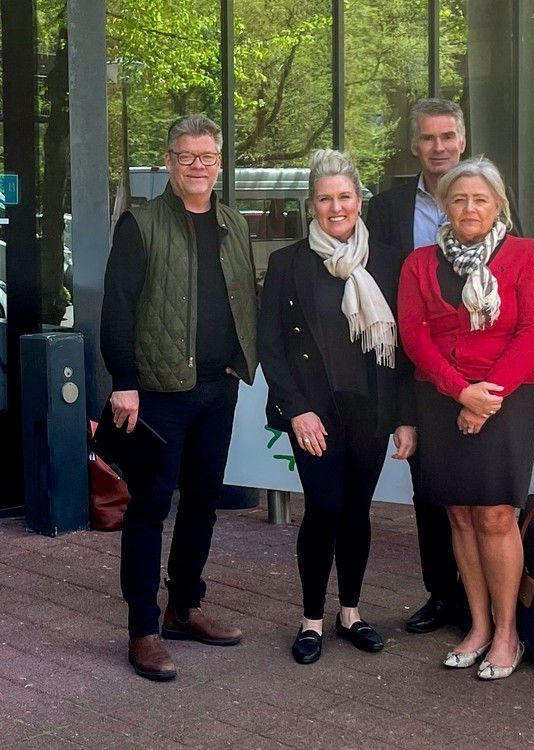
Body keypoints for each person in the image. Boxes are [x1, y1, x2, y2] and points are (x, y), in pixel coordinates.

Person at [101, 114, 258, 681]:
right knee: (148, 508)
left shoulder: (234, 223)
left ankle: (183, 608)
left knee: (202, 503)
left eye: (207, 157)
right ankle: (142, 629)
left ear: (220, 163)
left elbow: (244, 295)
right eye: (186, 156)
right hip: (158, 391)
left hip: (218, 386)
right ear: (168, 161)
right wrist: (124, 381)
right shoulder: (139, 225)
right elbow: (116, 305)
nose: (198, 166)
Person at [367, 97, 522, 634]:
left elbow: (516, 295)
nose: (439, 147)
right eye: (428, 139)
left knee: (487, 501)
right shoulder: (385, 209)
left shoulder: (489, 200)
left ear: (462, 138)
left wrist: (481, 390)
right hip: (421, 369)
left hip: (489, 378)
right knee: (432, 491)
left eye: (447, 137)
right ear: (415, 147)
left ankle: (493, 609)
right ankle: (443, 594)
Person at [258, 150, 417, 665]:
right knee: (323, 509)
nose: (335, 207)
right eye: (325, 198)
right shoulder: (288, 263)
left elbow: (406, 348)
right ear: (311, 204)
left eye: (344, 196)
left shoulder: (389, 261)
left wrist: (404, 416)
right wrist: (295, 409)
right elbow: (271, 344)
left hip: (370, 410)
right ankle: (310, 620)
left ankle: (350, 613)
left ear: (359, 201)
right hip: (314, 414)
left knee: (355, 512)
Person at [397, 156, 534, 680]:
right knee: (459, 515)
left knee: (493, 514)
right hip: (442, 395)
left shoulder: (526, 255)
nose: (469, 208)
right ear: (445, 204)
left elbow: (533, 331)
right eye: (459, 198)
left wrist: (484, 399)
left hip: (506, 397)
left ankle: (508, 634)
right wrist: (460, 392)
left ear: (498, 205)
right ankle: (479, 625)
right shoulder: (419, 263)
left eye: (480, 199)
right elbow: (414, 335)